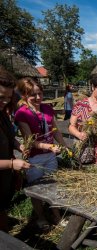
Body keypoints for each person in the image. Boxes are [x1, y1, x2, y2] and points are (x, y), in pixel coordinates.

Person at [15, 77, 67, 230]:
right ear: (24, 95)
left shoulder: (47, 108)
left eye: (40, 93)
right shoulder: (22, 113)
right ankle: (41, 217)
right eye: (33, 95)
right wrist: (49, 146)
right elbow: (29, 140)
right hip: (35, 157)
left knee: (53, 186)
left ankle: (56, 216)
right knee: (36, 188)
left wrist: (63, 145)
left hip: (50, 156)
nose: (38, 98)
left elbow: (55, 129)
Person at [0, 67, 31, 232]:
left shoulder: (2, 114)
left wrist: (19, 145)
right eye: (1, 97)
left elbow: (9, 137)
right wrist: (12, 164)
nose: (5, 101)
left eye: (8, 97)